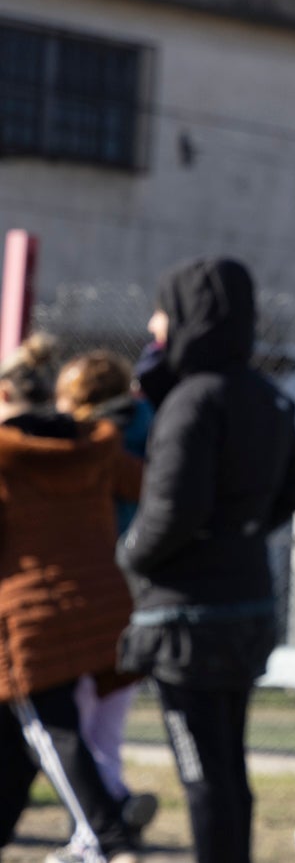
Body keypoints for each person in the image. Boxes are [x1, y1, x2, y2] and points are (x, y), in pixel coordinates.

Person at [118, 258, 295, 863]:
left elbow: (171, 510)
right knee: (229, 765)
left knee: (202, 772)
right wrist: (239, 536)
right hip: (247, 605)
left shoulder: (190, 403)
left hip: (187, 624)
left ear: (186, 315)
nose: (154, 324)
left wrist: (128, 555)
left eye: (163, 310)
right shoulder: (269, 398)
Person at [0, 334, 144, 863]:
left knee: (51, 730)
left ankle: (112, 838)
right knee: (19, 737)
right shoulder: (96, 446)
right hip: (104, 604)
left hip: (30, 617)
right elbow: (153, 489)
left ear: (5, 399)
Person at [56, 350, 158, 826]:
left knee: (71, 717)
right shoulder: (155, 426)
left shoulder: (89, 444)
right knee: (109, 720)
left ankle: (102, 812)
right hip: (140, 590)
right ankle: (111, 800)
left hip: (88, 588)